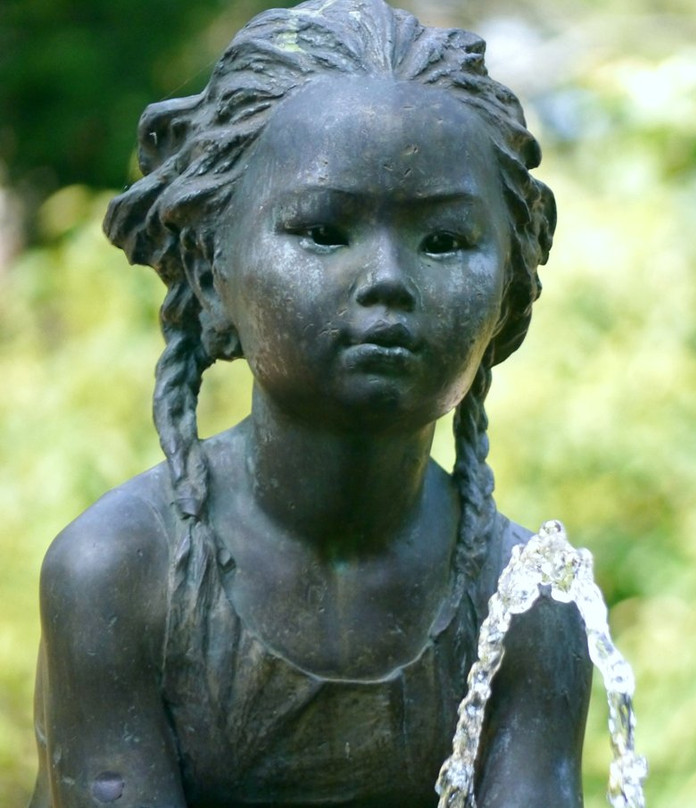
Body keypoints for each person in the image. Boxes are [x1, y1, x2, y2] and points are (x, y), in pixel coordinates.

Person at [29, 1, 590, 805]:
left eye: (444, 241)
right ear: (210, 271)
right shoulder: (123, 574)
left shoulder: (527, 601)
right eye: (325, 232)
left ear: (507, 295)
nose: (388, 280)